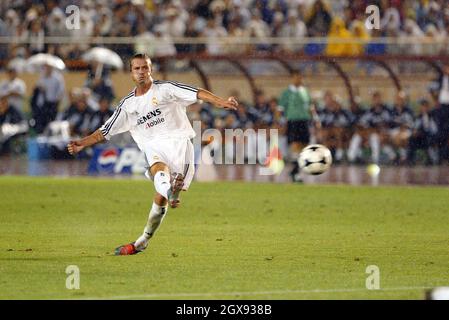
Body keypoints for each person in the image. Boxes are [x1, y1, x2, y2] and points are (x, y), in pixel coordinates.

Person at [67, 53, 238, 255]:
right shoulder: (128, 105)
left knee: (160, 199)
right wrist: (82, 143)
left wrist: (219, 102)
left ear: (151, 70)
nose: (141, 72)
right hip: (153, 147)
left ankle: (143, 240)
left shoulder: (166, 89)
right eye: (137, 68)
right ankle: (170, 192)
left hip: (180, 144)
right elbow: (106, 131)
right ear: (131, 73)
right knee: (158, 172)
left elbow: (197, 92)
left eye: (145, 68)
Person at [278, 70, 319, 182]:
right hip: (293, 121)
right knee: (295, 146)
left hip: (304, 121)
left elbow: (311, 108)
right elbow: (280, 110)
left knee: (304, 147)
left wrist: (316, 119)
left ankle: (295, 171)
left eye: (300, 77)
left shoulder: (305, 91)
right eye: (296, 77)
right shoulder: (286, 93)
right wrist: (280, 123)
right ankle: (296, 172)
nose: (298, 79)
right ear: (292, 78)